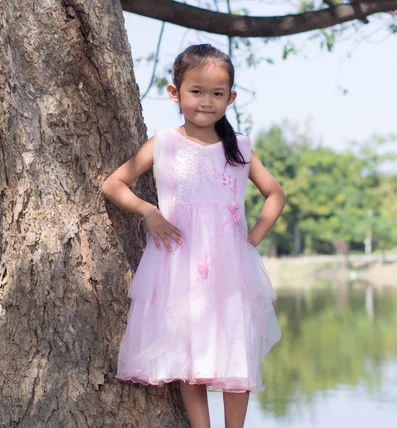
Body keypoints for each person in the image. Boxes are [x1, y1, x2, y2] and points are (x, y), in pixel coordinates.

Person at [101, 44, 285, 428]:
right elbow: (114, 184)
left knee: (235, 349)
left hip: (230, 269)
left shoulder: (241, 149)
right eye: (196, 91)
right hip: (178, 264)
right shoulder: (165, 143)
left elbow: (276, 194)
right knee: (188, 351)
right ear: (175, 92)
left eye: (218, 94)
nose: (206, 101)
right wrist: (149, 212)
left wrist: (251, 239)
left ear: (231, 98)